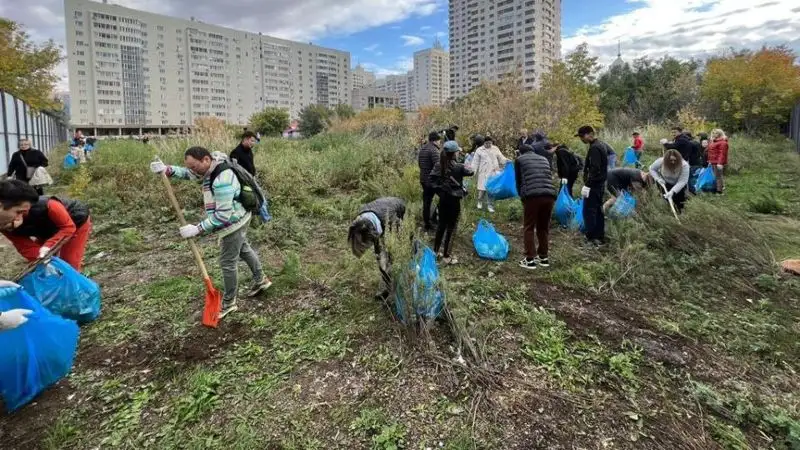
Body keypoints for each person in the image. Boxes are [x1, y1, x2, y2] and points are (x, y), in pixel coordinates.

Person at [150, 147, 271, 318]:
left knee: (227, 262)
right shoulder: (209, 168)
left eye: (194, 166)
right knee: (243, 248)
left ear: (206, 160)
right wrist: (167, 170)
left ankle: (229, 303)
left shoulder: (222, 178)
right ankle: (261, 280)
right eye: (190, 166)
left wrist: (197, 229)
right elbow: (189, 174)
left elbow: (222, 216)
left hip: (233, 222)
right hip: (241, 215)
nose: (192, 170)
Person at [0, 180, 92, 271]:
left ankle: (74, 283)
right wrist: (42, 260)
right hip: (44, 229)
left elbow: (68, 227)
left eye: (21, 212)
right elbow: (25, 246)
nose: (19, 218)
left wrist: (48, 246)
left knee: (69, 263)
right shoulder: (5, 223)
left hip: (75, 221)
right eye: (18, 212)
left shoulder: (49, 205)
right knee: (45, 263)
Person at [348, 197, 406, 300]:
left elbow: (401, 235)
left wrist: (391, 257)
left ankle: (394, 289)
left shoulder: (391, 220)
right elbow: (377, 249)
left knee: (392, 256)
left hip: (396, 206)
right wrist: (381, 260)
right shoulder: (359, 221)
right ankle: (386, 284)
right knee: (381, 258)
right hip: (379, 213)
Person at [430, 140, 473, 265]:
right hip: (454, 201)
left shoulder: (439, 165)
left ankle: (435, 251)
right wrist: (466, 160)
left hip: (443, 200)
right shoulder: (459, 166)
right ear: (454, 153)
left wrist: (441, 191)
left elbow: (431, 181)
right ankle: (446, 255)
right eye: (457, 152)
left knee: (441, 226)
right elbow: (471, 171)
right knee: (451, 228)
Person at [515, 144, 557, 270]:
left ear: (520, 153)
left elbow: (519, 181)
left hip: (532, 196)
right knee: (543, 227)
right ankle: (543, 257)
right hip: (549, 195)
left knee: (528, 227)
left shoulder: (519, 160)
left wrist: (522, 196)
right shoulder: (544, 159)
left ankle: (530, 260)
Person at [576, 125, 609, 245]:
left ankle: (592, 238)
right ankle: (599, 237)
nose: (581, 139)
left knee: (589, 211)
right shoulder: (600, 145)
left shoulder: (595, 148)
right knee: (598, 210)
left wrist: (588, 184)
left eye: (581, 136)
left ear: (589, 134)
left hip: (594, 185)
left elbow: (595, 168)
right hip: (599, 184)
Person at [472, 135, 508, 213]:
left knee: (491, 190)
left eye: (490, 143)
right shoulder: (479, 150)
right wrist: (473, 171)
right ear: (484, 143)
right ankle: (479, 201)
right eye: (487, 143)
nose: (488, 145)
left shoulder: (495, 148)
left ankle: (490, 205)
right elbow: (475, 162)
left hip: (493, 172)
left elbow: (501, 157)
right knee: (482, 190)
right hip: (483, 172)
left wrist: (507, 161)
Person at [418, 131, 441, 231]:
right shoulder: (434, 150)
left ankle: (427, 223)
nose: (440, 143)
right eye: (439, 140)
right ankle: (434, 219)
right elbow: (438, 166)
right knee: (445, 198)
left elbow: (420, 164)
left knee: (426, 202)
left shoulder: (423, 149)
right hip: (432, 181)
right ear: (436, 140)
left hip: (423, 179)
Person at [707, 129, 729, 194]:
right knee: (716, 176)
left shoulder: (723, 142)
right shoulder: (714, 141)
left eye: (716, 133)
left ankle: (719, 191)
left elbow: (722, 154)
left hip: (718, 162)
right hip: (713, 161)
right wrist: (710, 161)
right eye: (713, 133)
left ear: (719, 134)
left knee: (718, 176)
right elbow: (711, 152)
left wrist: (720, 163)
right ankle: (720, 188)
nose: (714, 134)